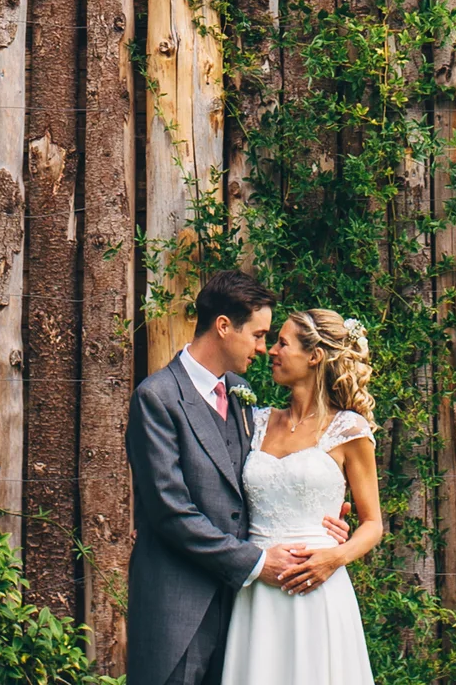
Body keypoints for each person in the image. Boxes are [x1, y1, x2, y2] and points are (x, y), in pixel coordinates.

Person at [125, 273, 351, 685]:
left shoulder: (240, 392)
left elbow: (257, 483)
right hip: (179, 608)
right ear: (224, 326)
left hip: (246, 611)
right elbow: (170, 511)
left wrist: (320, 515)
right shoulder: (156, 398)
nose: (264, 349)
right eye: (259, 335)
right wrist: (259, 562)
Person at [217, 308, 384, 685]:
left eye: (282, 343)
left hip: (316, 587)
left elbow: (373, 524)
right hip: (257, 589)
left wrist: (333, 558)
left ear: (314, 356)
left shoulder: (348, 430)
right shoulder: (253, 421)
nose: (270, 351)